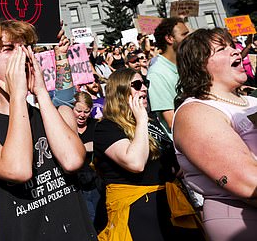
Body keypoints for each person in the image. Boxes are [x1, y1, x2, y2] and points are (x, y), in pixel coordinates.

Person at [0, 20, 95, 240]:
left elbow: (72, 160)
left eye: (25, 47)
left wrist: (40, 91)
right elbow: (18, 170)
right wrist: (18, 96)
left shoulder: (55, 114)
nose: (22, 54)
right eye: (10, 48)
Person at [93, 68, 199, 241]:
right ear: (120, 92)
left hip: (169, 204)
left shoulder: (151, 121)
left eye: (145, 83)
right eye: (137, 85)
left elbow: (173, 165)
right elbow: (135, 163)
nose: (144, 88)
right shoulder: (107, 127)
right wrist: (141, 120)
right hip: (137, 211)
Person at [173, 28, 257, 241]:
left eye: (232, 45)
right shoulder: (195, 113)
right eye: (222, 49)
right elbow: (248, 182)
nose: (236, 51)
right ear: (200, 65)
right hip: (242, 219)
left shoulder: (253, 101)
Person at [148, 17, 190, 135]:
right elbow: (172, 121)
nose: (190, 38)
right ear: (170, 38)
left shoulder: (187, 63)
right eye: (184, 34)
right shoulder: (156, 74)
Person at [72, 92, 102, 224]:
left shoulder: (96, 125)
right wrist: (83, 147)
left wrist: (94, 146)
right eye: (78, 111)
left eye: (86, 111)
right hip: (76, 184)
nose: (82, 115)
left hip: (96, 183)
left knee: (99, 219)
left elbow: (106, 145)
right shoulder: (65, 127)